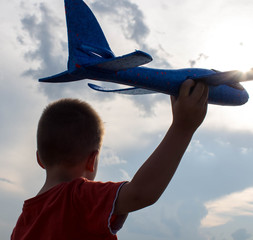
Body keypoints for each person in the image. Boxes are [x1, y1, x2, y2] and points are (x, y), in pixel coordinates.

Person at [11, 79, 209, 240]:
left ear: (39, 159)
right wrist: (183, 127)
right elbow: (141, 193)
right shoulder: (78, 197)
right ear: (92, 160)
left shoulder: (23, 222)